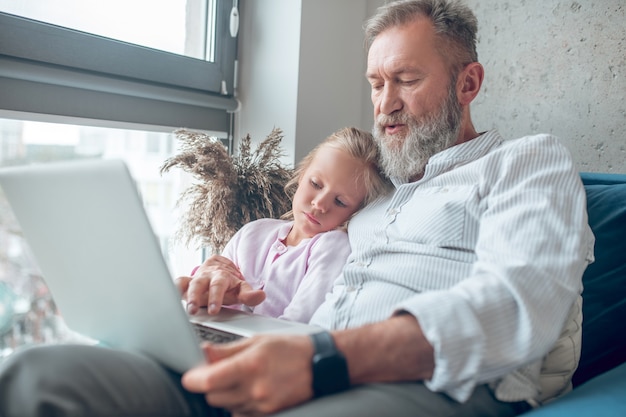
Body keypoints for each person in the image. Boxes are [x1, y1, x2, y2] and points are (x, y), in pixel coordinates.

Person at [0, 1, 594, 416]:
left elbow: (518, 304)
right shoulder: (375, 193)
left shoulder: (527, 163)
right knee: (41, 378)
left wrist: (324, 360)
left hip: (432, 386)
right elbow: (289, 251)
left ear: (468, 84)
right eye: (375, 82)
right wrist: (224, 277)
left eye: (406, 80)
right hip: (295, 360)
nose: (384, 104)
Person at [178, 127, 392, 323]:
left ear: (356, 212)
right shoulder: (253, 232)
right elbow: (207, 297)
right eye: (316, 184)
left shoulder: (333, 246)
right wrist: (204, 283)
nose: (320, 204)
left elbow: (298, 324)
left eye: (340, 202)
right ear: (301, 176)